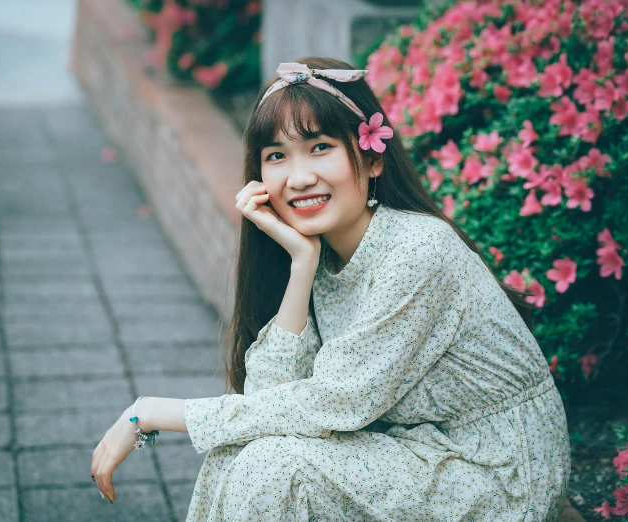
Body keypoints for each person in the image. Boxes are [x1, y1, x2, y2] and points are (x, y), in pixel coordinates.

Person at [91, 56, 571, 521]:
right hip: (416, 454)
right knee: (241, 452)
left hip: (497, 476)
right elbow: (274, 396)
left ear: (372, 159)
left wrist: (151, 414)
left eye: (320, 147)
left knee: (269, 468)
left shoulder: (417, 251)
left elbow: (337, 401)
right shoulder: (323, 255)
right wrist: (301, 263)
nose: (299, 178)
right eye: (277, 156)